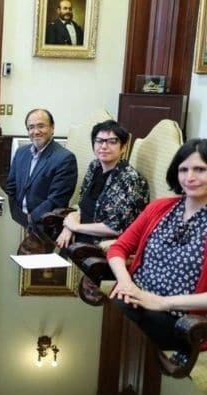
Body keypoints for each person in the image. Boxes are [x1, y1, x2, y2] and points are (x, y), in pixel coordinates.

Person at [107, 138, 207, 351]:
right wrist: (125, 282)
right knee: (100, 325)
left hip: (180, 317)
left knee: (128, 342)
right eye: (183, 169)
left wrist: (163, 302)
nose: (189, 177)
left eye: (200, 169)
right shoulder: (160, 208)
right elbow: (118, 248)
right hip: (134, 296)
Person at [55, 120, 150, 248]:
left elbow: (115, 228)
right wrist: (69, 225)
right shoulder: (95, 166)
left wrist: (75, 227)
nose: (104, 146)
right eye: (99, 141)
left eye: (112, 141)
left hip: (100, 244)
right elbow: (83, 205)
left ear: (123, 147)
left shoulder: (130, 179)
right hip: (80, 233)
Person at [2, 108, 77, 226]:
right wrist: (11, 215)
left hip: (43, 223)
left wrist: (30, 219)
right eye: (31, 127)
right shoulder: (21, 152)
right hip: (17, 220)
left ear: (52, 128)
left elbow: (56, 200)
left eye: (41, 126)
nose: (36, 132)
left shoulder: (65, 158)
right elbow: (11, 188)